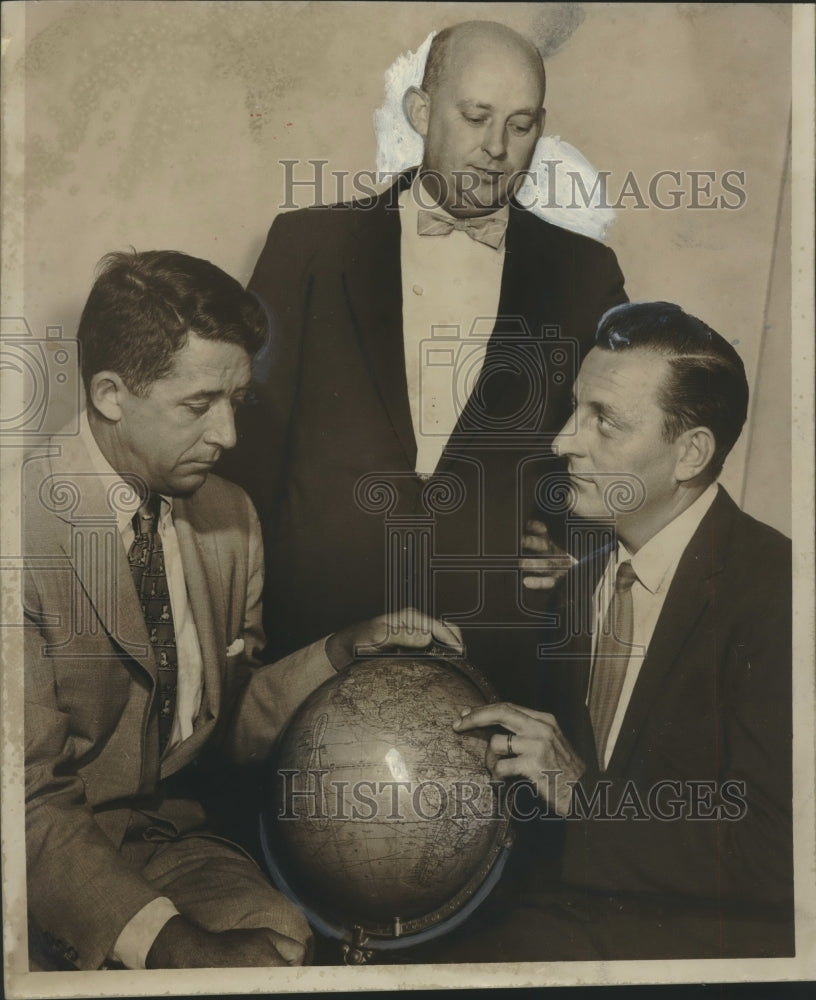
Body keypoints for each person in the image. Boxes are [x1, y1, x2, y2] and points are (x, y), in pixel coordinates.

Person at [22, 250, 460, 972]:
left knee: (279, 940)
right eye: (199, 406)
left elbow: (221, 726)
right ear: (110, 394)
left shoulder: (230, 517)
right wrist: (172, 944)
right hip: (37, 858)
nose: (227, 435)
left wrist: (340, 652)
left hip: (167, 844)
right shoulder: (17, 532)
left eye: (237, 401)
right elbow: (24, 798)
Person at [218, 20, 628, 703]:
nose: (496, 148)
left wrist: (582, 549)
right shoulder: (307, 245)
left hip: (494, 656)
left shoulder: (584, 274)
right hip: (311, 644)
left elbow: (629, 439)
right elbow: (243, 454)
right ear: (420, 111)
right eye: (476, 117)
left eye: (521, 125)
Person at [420, 301, 794, 961]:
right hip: (556, 926)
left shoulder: (781, 592)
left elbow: (778, 852)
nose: (563, 441)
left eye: (605, 421)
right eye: (574, 409)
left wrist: (580, 794)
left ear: (690, 453)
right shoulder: (578, 581)